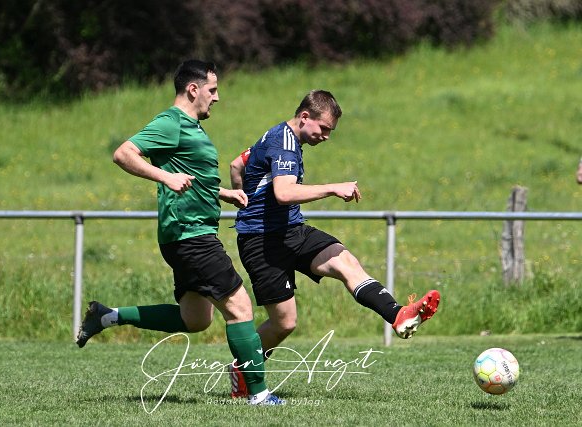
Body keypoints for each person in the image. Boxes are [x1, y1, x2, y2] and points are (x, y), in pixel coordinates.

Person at [75, 60, 283, 405]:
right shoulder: (171, 122)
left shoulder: (191, 127)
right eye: (212, 90)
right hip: (191, 235)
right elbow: (123, 154)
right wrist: (165, 177)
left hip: (187, 235)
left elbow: (188, 173)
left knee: (195, 319)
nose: (216, 98)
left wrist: (222, 193)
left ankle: (107, 315)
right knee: (240, 308)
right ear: (193, 89)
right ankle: (259, 395)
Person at [227, 90, 441, 398]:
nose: (326, 136)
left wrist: (242, 196)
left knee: (344, 260)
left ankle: (398, 314)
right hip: (261, 241)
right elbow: (284, 194)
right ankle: (243, 367)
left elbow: (237, 164)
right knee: (284, 323)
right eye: (324, 128)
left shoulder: (278, 137)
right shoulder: (284, 143)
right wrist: (332, 188)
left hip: (291, 230)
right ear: (305, 117)